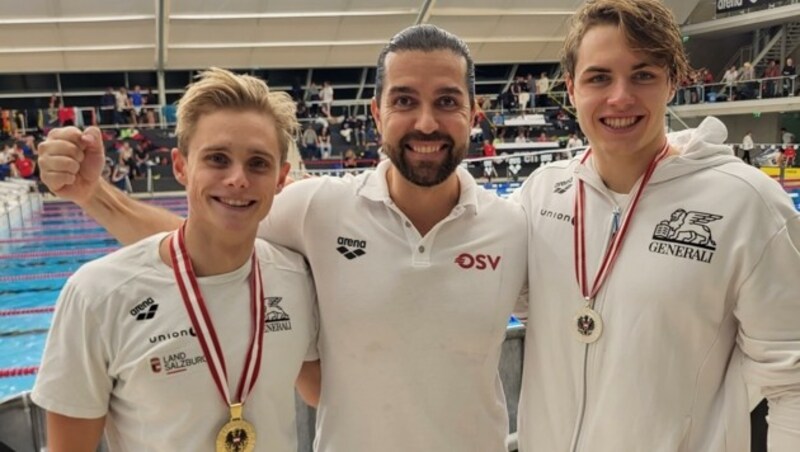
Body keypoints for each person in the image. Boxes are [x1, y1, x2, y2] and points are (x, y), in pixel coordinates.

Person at [36, 25, 527, 451]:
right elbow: (206, 239)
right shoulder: (318, 207)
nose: (425, 122)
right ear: (376, 114)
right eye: (404, 100)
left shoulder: (513, 228)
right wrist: (93, 195)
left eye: (446, 101)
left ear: (474, 113)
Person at [513, 1, 800, 451]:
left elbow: (793, 383)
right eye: (599, 77)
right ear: (571, 88)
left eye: (643, 74)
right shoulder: (540, 194)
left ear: (672, 83)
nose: (620, 97)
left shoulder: (747, 204)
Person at [31, 68, 321, 452]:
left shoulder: (296, 279)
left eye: (258, 163)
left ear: (282, 178)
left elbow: (323, 393)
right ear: (181, 166)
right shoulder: (97, 295)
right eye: (217, 159)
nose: (238, 179)